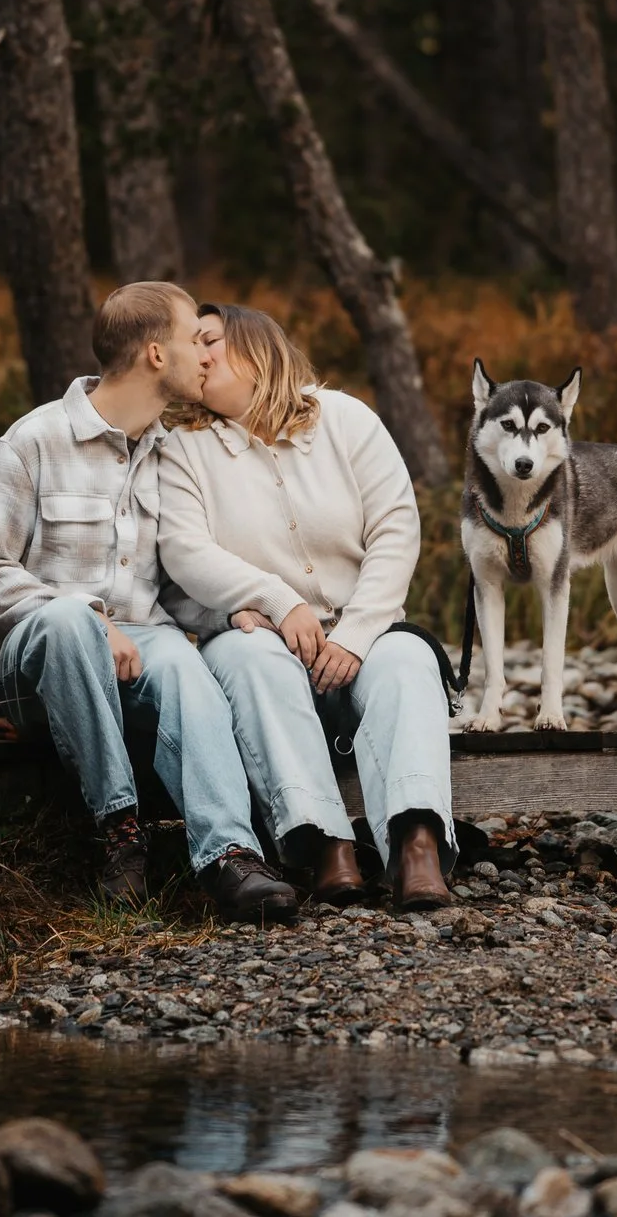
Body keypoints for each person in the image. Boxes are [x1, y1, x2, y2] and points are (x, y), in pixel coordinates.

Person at [0, 283, 299, 923]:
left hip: (140, 643)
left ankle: (228, 854)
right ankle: (119, 832)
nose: (207, 355)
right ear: (153, 354)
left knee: (182, 667)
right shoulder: (34, 441)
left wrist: (228, 615)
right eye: (194, 341)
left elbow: (166, 586)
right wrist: (87, 617)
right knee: (65, 621)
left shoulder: (165, 452)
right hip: (31, 667)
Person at [156, 303, 456, 910]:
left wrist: (358, 633)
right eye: (193, 346)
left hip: (362, 635)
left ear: (257, 345)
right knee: (248, 659)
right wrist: (271, 600)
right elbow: (183, 551)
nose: (200, 356)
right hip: (266, 642)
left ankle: (416, 846)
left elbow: (396, 527)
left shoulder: (344, 419)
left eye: (210, 339)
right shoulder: (184, 449)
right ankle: (325, 848)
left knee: (406, 662)